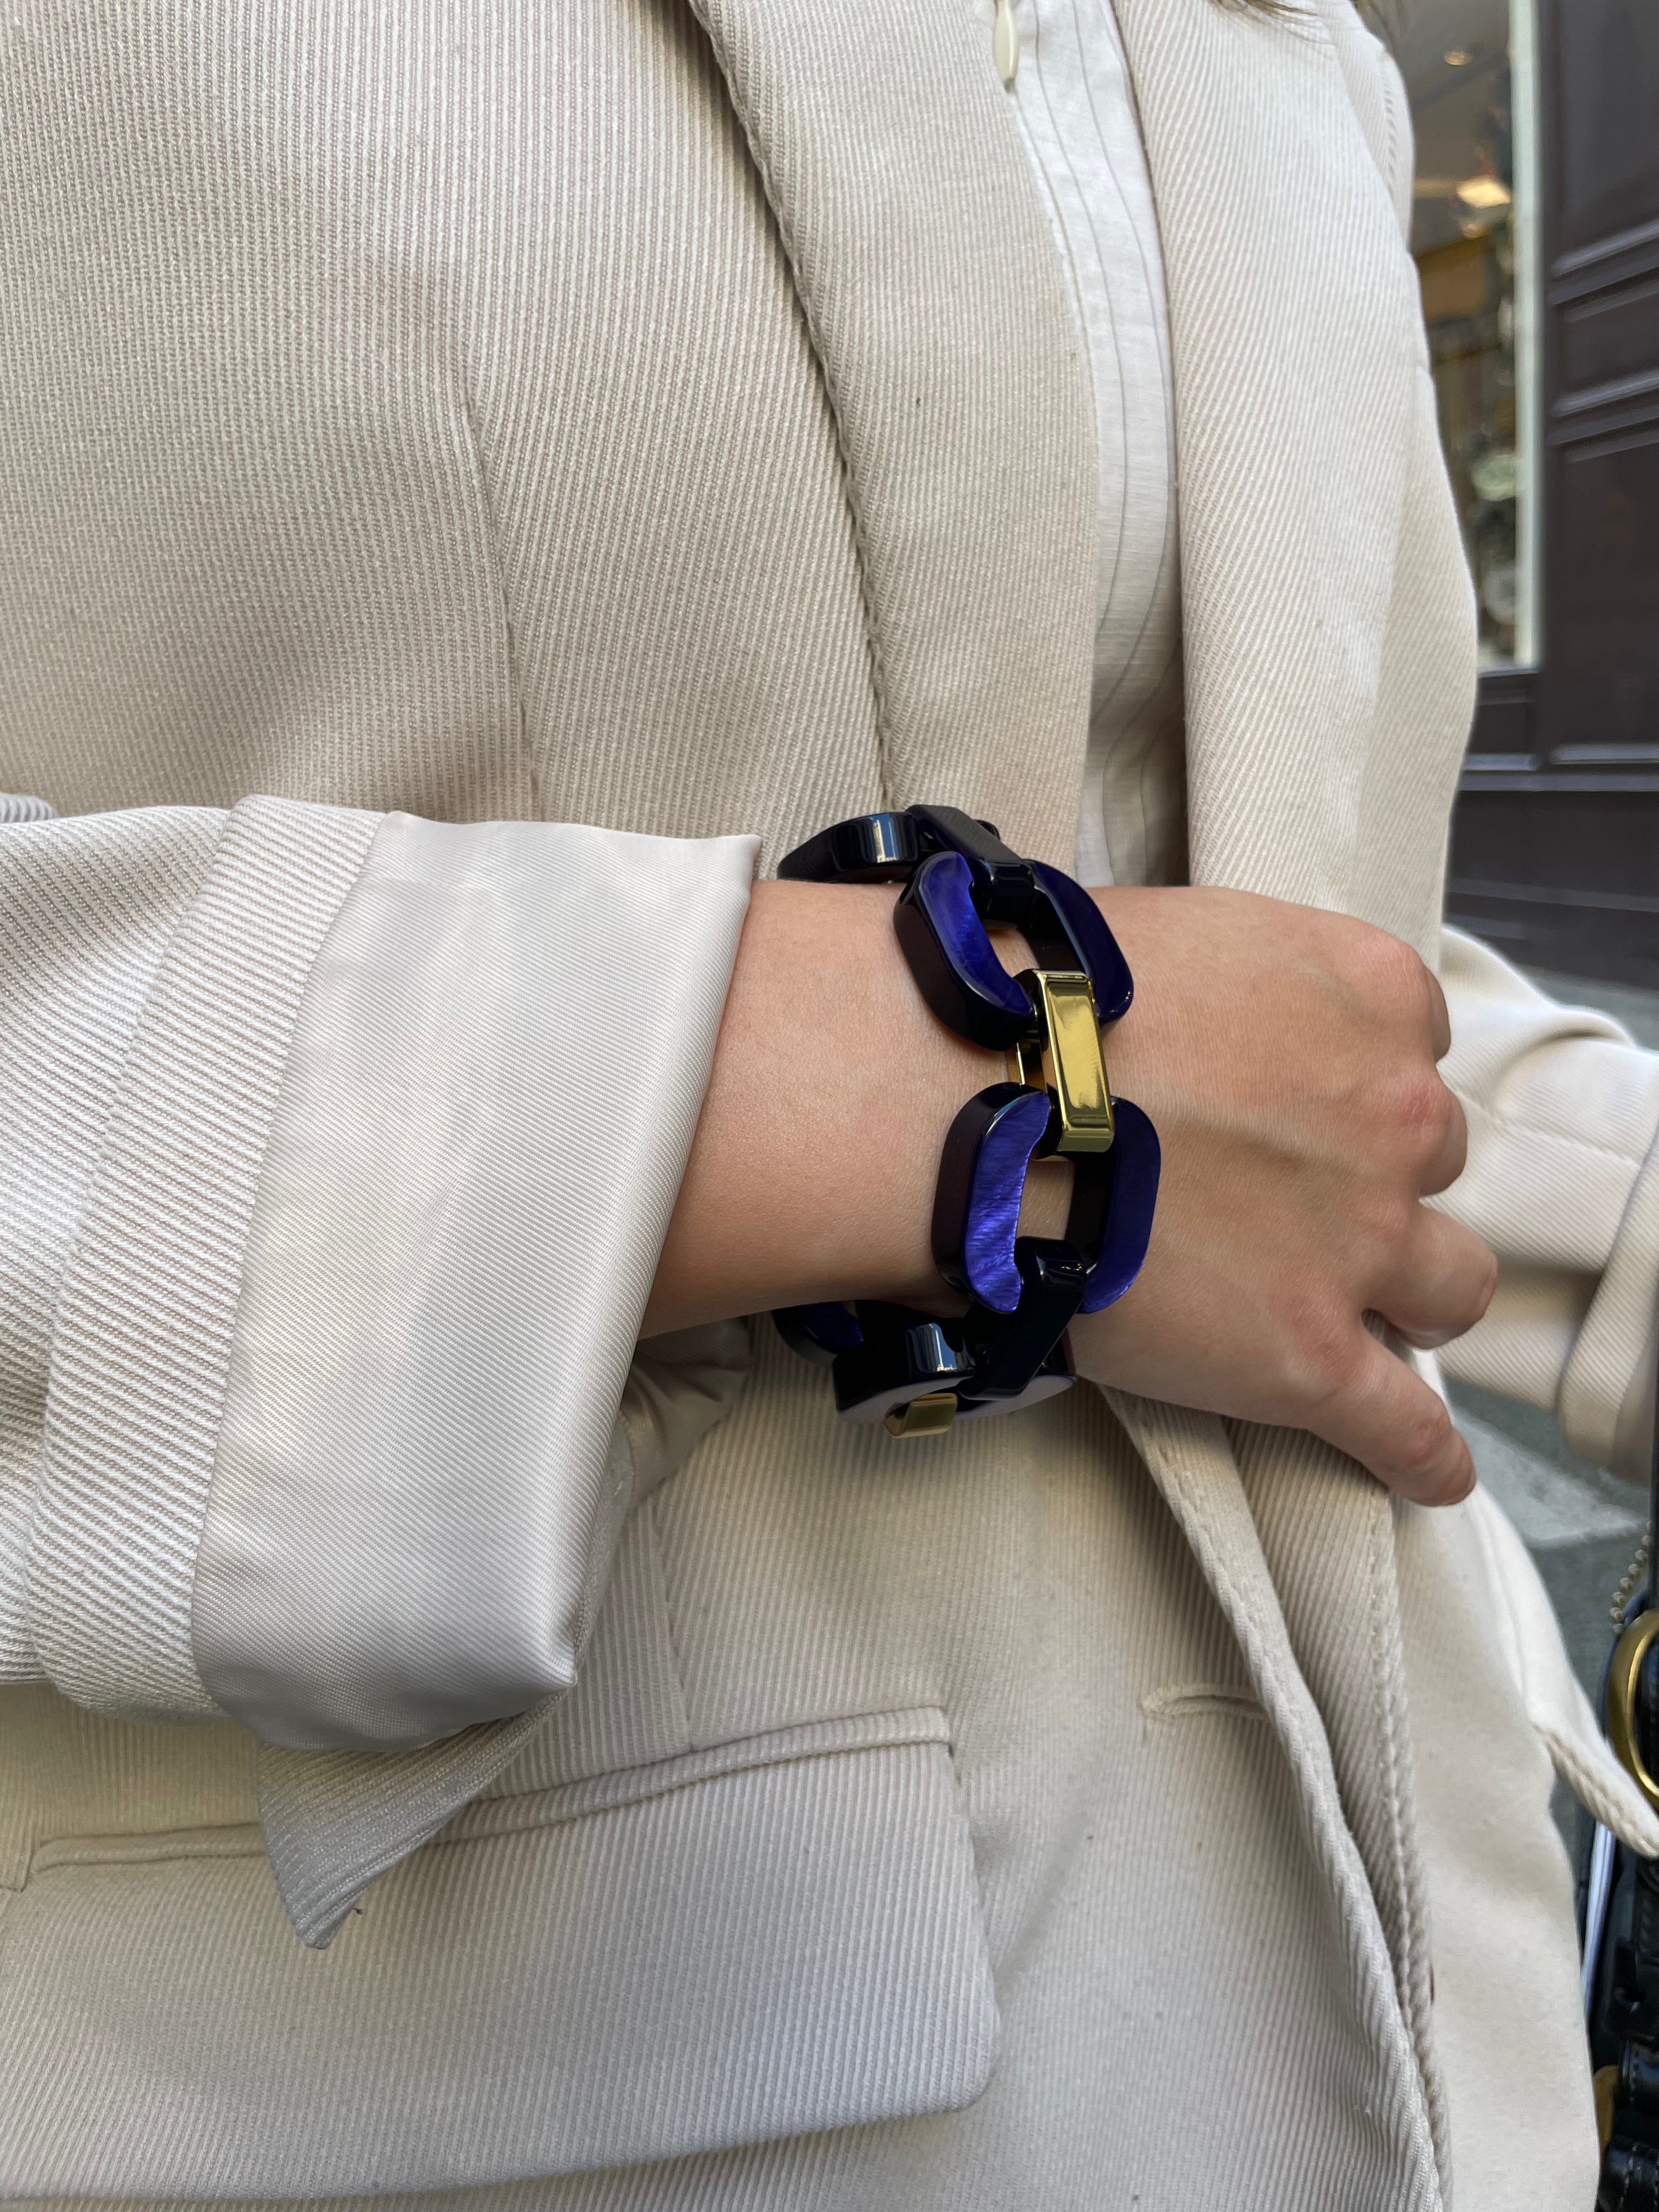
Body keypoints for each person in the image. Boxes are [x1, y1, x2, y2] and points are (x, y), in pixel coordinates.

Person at [2, 0, 1656, 2203]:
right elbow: (1125, 1047)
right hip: (504, 2049)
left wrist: (1621, 1225)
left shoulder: (1298, 55)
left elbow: (1263, 979)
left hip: (1410, 1966)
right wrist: (841, 1084)